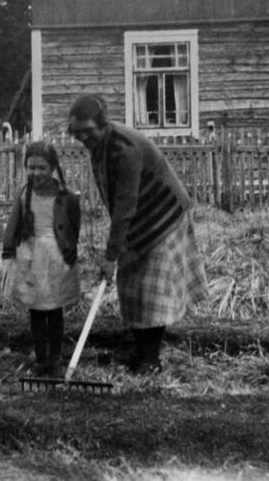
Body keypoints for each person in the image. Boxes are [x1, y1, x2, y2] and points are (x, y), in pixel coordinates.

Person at [67, 94, 207, 375]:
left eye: (87, 131)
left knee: (151, 293)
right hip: (138, 221)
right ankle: (141, 352)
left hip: (163, 218)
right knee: (132, 288)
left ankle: (150, 361)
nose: (82, 138)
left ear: (102, 124)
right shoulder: (100, 144)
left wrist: (110, 255)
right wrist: (120, 248)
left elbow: (125, 206)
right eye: (76, 132)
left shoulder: (123, 148)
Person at [1, 141, 81, 376]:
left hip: (56, 258)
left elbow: (74, 225)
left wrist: (70, 248)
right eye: (31, 167)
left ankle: (55, 358)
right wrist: (8, 251)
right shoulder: (24, 193)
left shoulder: (66, 196)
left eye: (42, 168)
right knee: (36, 310)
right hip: (31, 256)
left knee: (54, 310)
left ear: (53, 167)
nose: (36, 173)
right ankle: (41, 358)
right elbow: (13, 223)